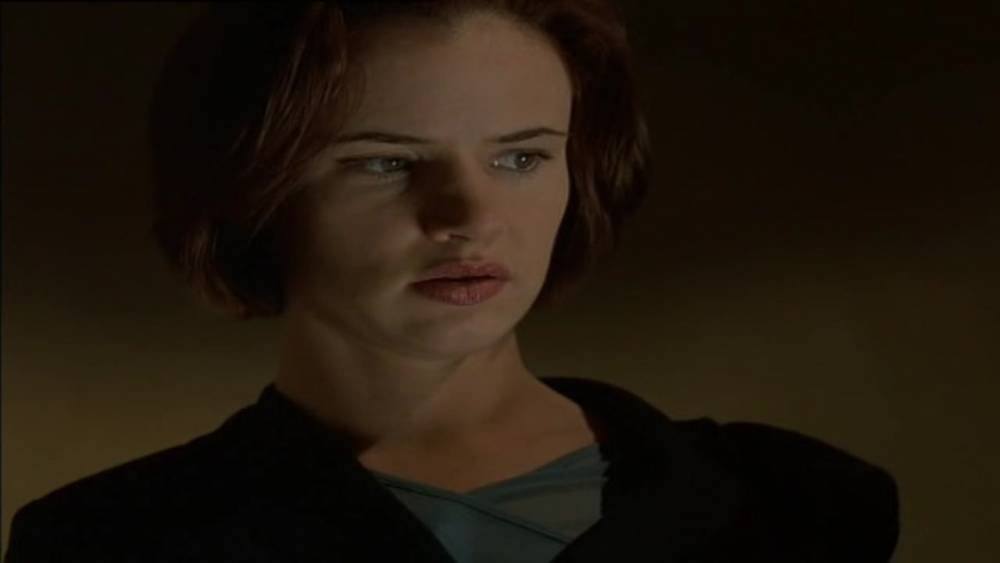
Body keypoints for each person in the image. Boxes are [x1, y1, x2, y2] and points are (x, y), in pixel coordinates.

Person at [5, 2, 899, 562]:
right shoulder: (106, 542)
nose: (468, 216)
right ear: (253, 193)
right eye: (386, 162)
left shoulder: (793, 504)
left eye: (520, 157)